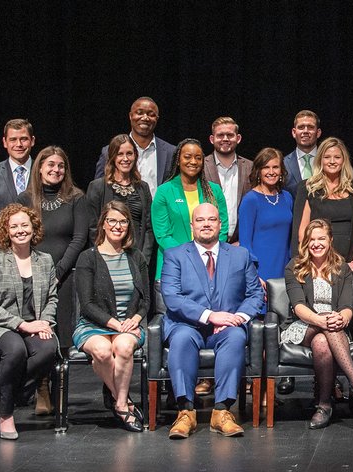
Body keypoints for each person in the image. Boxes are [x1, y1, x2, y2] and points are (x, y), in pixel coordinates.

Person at [160, 203, 265, 439]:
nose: (206, 224)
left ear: (220, 224)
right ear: (192, 225)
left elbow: (255, 293)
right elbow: (172, 297)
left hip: (227, 327)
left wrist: (238, 318)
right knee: (182, 338)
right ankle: (186, 412)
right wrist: (209, 315)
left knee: (236, 336)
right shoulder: (175, 255)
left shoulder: (241, 255)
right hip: (188, 325)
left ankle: (222, 412)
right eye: (200, 220)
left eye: (211, 219)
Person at [283, 219, 353, 429]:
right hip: (304, 325)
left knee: (322, 343)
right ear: (306, 243)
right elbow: (298, 306)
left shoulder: (342, 269)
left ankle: (324, 405)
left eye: (321, 238)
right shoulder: (295, 267)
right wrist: (320, 319)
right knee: (321, 331)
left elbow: (347, 306)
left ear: (330, 241)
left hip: (334, 327)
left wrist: (343, 317)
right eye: (312, 239)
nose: (316, 243)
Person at [0, 204, 60, 440]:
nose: (20, 230)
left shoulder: (45, 260)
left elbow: (52, 297)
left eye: (25, 225)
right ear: (6, 231)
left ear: (34, 228)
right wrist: (23, 325)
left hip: (35, 325)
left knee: (49, 349)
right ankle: (6, 416)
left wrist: (44, 322)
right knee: (15, 350)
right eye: (14, 226)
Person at [15, 146, 87, 414]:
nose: (56, 170)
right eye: (51, 165)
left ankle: (60, 393)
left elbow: (79, 238)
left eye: (61, 166)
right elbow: (22, 237)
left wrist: (57, 272)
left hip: (65, 277)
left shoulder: (76, 198)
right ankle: (41, 388)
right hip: (31, 276)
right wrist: (39, 274)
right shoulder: (25, 199)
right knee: (39, 333)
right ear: (40, 168)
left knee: (61, 335)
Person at [73, 201, 150, 433]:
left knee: (125, 347)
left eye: (123, 221)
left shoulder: (136, 257)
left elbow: (146, 300)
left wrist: (135, 320)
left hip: (128, 323)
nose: (118, 226)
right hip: (93, 324)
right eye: (112, 221)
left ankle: (118, 403)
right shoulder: (88, 258)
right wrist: (116, 325)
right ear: (103, 225)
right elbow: (86, 305)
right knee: (103, 352)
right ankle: (123, 402)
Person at [295, 137, 353, 280]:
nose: (332, 161)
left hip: (348, 266)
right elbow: (302, 232)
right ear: (320, 160)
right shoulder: (309, 188)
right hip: (317, 266)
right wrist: (312, 262)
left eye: (337, 157)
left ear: (344, 161)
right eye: (327, 157)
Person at [152, 139, 229, 277]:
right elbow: (163, 235)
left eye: (198, 158)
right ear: (178, 160)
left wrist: (207, 253)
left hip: (209, 265)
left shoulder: (214, 190)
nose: (193, 162)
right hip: (174, 266)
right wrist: (191, 255)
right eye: (187, 157)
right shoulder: (164, 191)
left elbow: (222, 228)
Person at [84, 134, 155, 268]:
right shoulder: (98, 187)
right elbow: (93, 228)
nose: (125, 159)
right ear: (112, 157)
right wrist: (102, 258)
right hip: (106, 258)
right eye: (120, 154)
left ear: (135, 156)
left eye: (129, 154)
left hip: (137, 258)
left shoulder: (143, 187)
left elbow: (148, 228)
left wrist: (143, 259)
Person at [0, 118, 37, 260]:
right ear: (5, 142)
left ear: (32, 141)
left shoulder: (43, 173)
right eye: (13, 139)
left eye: (24, 139)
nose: (19, 144)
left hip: (36, 253)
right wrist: (7, 247)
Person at [234, 147, 295, 280]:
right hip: (260, 270)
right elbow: (245, 244)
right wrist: (254, 275)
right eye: (266, 167)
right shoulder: (250, 200)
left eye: (276, 167)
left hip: (285, 267)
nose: (271, 172)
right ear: (259, 171)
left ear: (281, 170)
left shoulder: (287, 197)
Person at [94, 97, 176, 193]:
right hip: (119, 207)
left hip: (157, 208)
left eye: (151, 114)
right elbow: (97, 191)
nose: (145, 118)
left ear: (157, 119)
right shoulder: (109, 151)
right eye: (139, 113)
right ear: (130, 116)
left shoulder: (171, 152)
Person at [202, 116, 254, 242]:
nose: (225, 139)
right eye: (220, 135)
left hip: (240, 242)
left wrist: (243, 241)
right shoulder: (201, 167)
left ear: (238, 138)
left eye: (230, 135)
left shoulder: (250, 167)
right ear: (212, 139)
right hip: (206, 241)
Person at [281, 110, 323, 197]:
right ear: (294, 132)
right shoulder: (283, 163)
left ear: (318, 132)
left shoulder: (328, 161)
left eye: (310, 127)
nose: (305, 131)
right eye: (301, 127)